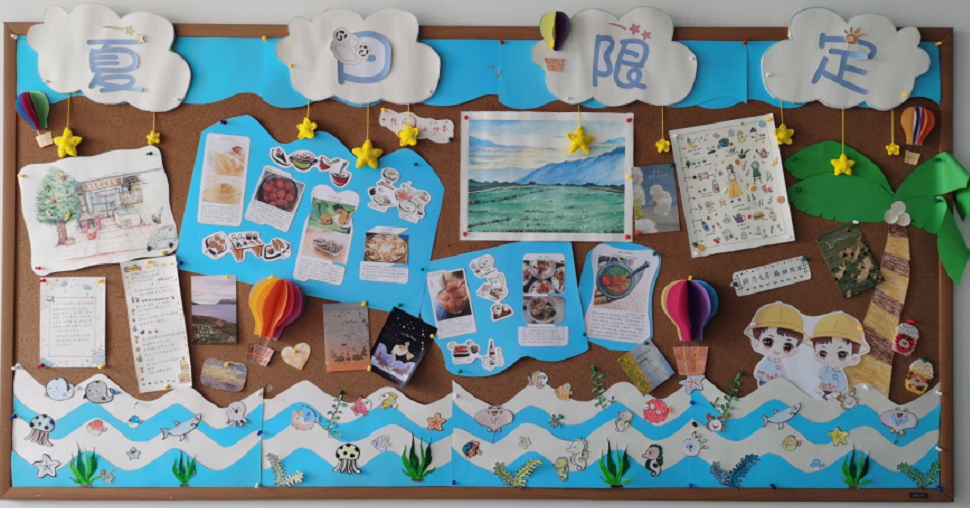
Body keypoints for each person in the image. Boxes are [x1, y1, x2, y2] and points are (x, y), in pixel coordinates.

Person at [809, 312, 868, 400]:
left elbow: (842, 386)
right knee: (817, 389)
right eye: (823, 353)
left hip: (834, 390)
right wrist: (825, 367)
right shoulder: (826, 369)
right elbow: (820, 375)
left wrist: (835, 389)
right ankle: (824, 394)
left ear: (853, 358)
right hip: (824, 387)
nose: (831, 359)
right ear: (816, 355)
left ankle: (831, 396)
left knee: (835, 395)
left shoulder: (839, 374)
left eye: (841, 355)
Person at [744, 302, 805, 387]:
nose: (777, 349)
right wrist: (763, 376)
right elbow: (759, 374)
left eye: (787, 346)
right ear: (756, 343)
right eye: (768, 342)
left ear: (794, 349)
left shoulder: (781, 364)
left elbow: (784, 375)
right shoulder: (766, 362)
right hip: (765, 382)